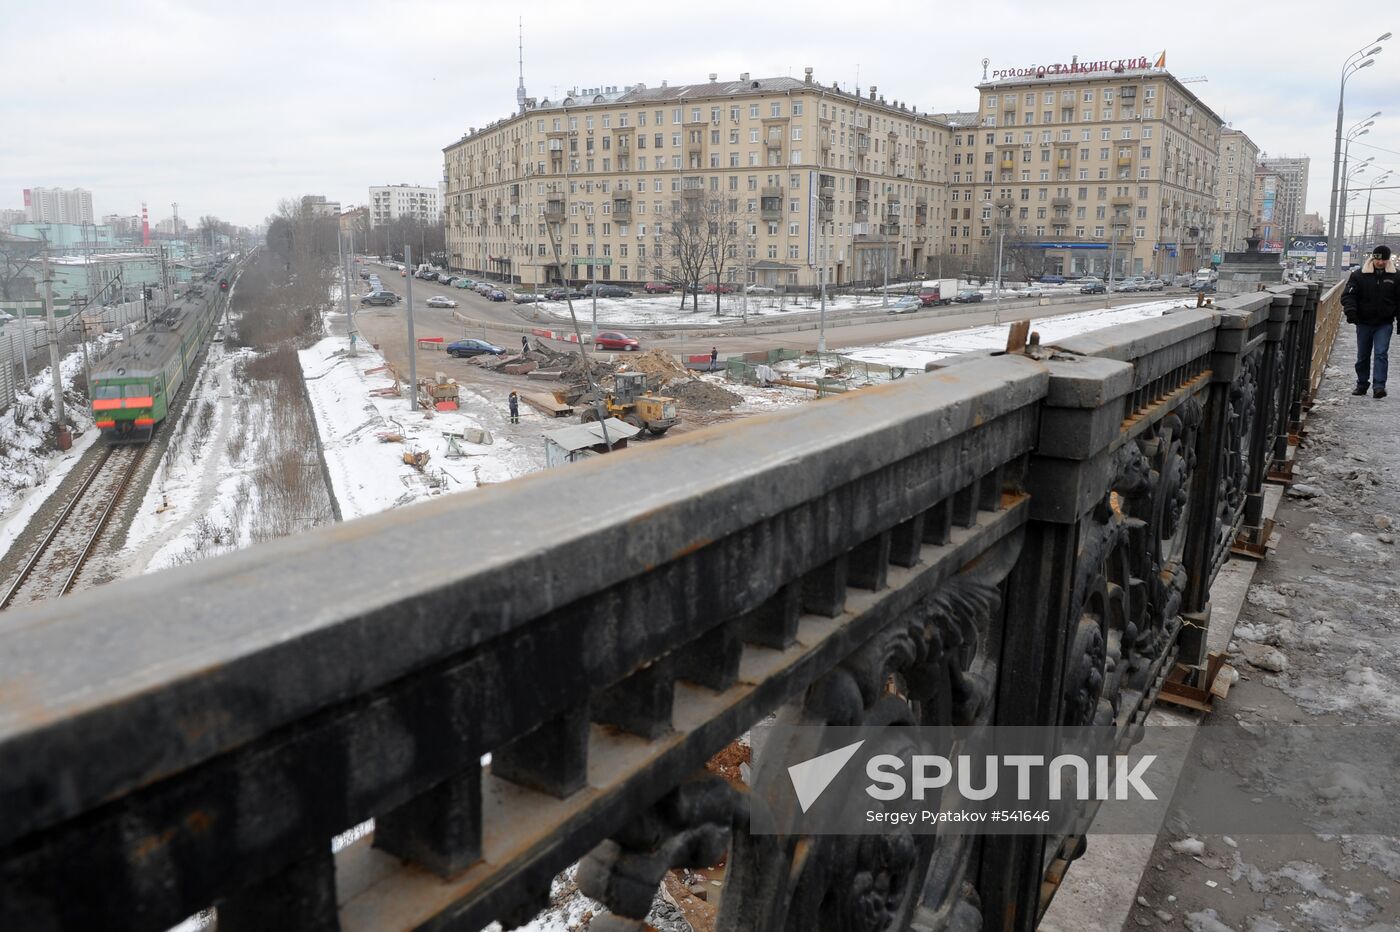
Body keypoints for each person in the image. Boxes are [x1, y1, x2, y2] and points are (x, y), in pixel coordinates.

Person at [1342, 245, 1400, 399]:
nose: (1380, 262)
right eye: (1378, 258)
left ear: (1388, 260)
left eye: (1384, 259)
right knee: (1363, 355)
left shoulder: (1396, 276)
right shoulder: (1359, 275)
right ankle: (1362, 384)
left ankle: (1379, 386)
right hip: (1363, 322)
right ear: (1373, 258)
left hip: (1384, 323)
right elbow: (1349, 295)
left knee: (1381, 354)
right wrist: (1351, 311)